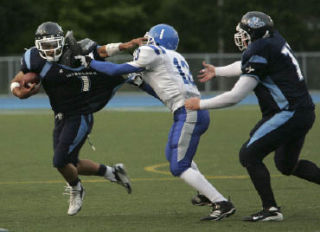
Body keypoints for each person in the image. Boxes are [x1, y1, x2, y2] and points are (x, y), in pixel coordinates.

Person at [75, 24, 236, 221]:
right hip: (190, 111)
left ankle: (221, 202)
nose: (145, 40)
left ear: (155, 38)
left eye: (148, 37)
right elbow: (163, 93)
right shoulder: (175, 57)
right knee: (173, 156)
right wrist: (141, 83)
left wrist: (89, 62)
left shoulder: (151, 50)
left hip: (188, 112)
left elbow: (117, 70)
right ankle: (206, 194)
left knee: (178, 166)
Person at [185, 11, 320, 222]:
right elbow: (247, 65)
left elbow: (235, 96)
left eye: (244, 31)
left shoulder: (260, 50)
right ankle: (272, 208)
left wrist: (200, 104)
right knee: (286, 165)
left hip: (288, 113)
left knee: (249, 155)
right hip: (304, 112)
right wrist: (217, 71)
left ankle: (271, 209)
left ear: (253, 33)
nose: (239, 34)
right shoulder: (272, 40)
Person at [10, 21, 146, 216]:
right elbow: (17, 81)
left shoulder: (74, 51)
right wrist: (19, 92)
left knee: (60, 161)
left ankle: (76, 188)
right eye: (45, 46)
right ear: (38, 45)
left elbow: (102, 51)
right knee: (70, 163)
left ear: (61, 41)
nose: (50, 50)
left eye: (53, 44)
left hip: (80, 112)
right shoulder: (33, 58)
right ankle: (112, 172)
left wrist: (124, 46)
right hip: (60, 114)